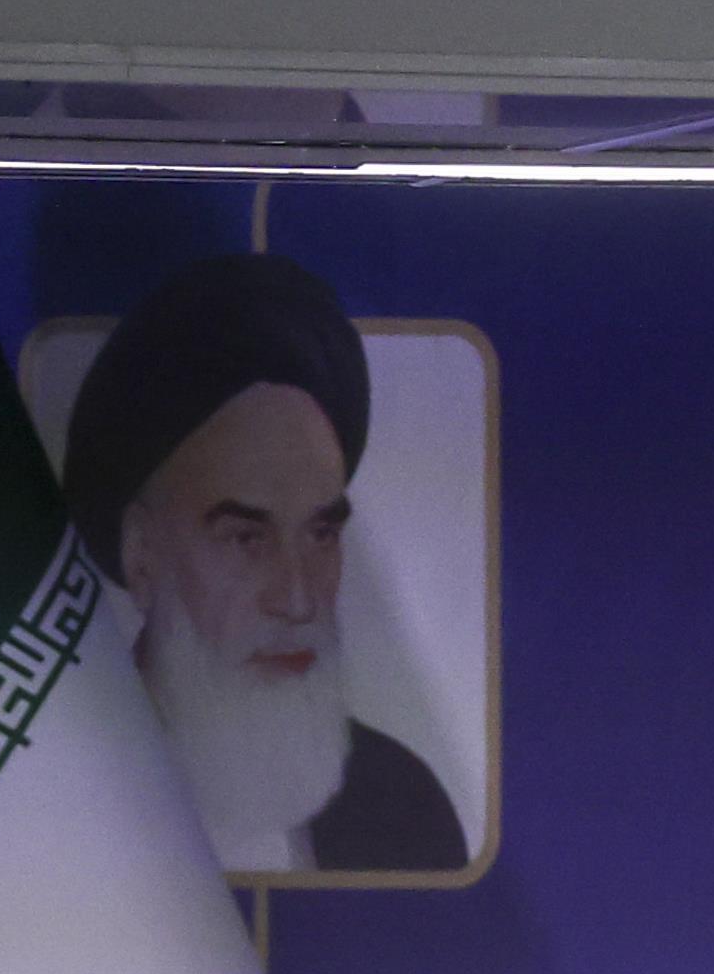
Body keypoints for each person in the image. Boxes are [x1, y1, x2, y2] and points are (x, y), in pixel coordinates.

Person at [61, 253, 468, 877]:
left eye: (321, 534)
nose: (298, 600)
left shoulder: (402, 806)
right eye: (247, 540)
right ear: (141, 554)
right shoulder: (62, 789)